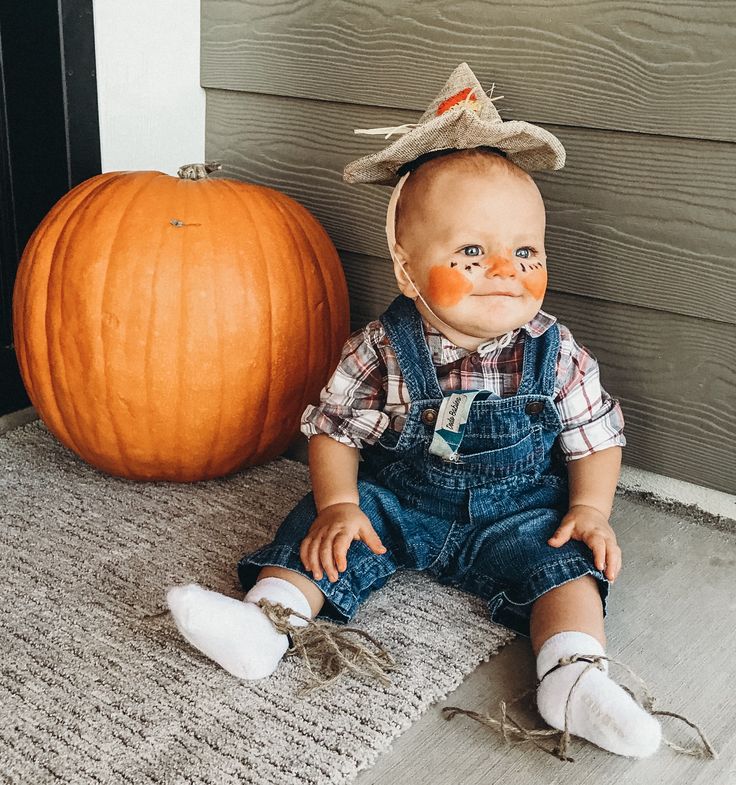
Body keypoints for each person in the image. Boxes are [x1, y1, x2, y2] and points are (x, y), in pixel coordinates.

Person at [167, 63, 662, 759]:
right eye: (471, 252)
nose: (505, 270)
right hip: (405, 495)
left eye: (525, 251)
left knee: (570, 562)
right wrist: (340, 501)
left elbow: (595, 435)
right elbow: (335, 429)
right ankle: (266, 621)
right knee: (321, 525)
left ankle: (573, 675)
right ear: (406, 269)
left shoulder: (555, 350)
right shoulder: (384, 348)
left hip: (516, 510)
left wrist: (593, 509)